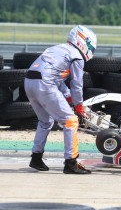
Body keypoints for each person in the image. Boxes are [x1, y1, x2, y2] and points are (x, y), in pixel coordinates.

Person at [24, 25, 97, 174]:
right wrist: (79, 107)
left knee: (45, 121)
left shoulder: (57, 48)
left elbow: (56, 76)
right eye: (90, 46)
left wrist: (68, 96)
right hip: (45, 84)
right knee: (71, 121)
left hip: (29, 82)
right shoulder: (76, 55)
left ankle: (36, 158)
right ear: (82, 41)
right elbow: (77, 84)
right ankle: (71, 163)